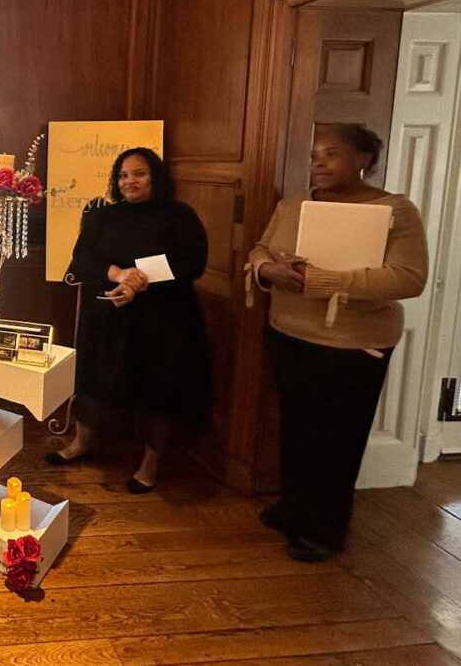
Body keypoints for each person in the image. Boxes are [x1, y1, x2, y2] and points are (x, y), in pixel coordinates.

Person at [248, 125, 427, 562]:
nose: (319, 163)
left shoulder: (395, 211)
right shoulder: (294, 204)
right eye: (314, 156)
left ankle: (324, 529)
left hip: (354, 345)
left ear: (364, 159)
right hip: (288, 333)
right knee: (296, 429)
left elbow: (408, 278)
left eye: (332, 154)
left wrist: (323, 281)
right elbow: (261, 249)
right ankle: (294, 508)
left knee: (336, 439)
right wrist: (268, 270)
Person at [48, 147, 212, 493]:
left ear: (155, 176)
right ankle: (82, 443)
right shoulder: (101, 217)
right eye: (122, 175)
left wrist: (141, 279)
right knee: (92, 380)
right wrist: (121, 274)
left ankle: (149, 466)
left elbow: (193, 263)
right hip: (107, 316)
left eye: (138, 173)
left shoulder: (180, 215)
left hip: (163, 320)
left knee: (157, 391)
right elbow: (82, 260)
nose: (129, 181)